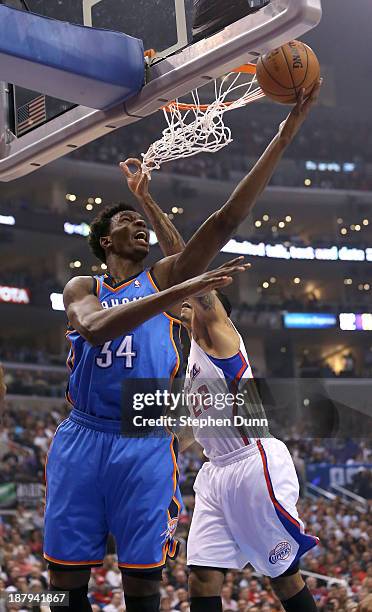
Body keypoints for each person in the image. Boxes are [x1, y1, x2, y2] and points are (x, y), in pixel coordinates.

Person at [44, 80, 320, 612]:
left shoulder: (194, 309)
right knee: (64, 580)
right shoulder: (85, 288)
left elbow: (222, 225)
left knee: (147, 583)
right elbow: (98, 329)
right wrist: (176, 280)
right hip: (90, 436)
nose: (139, 229)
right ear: (106, 242)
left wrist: (285, 133)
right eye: (127, 223)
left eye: (141, 221)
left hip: (178, 448)